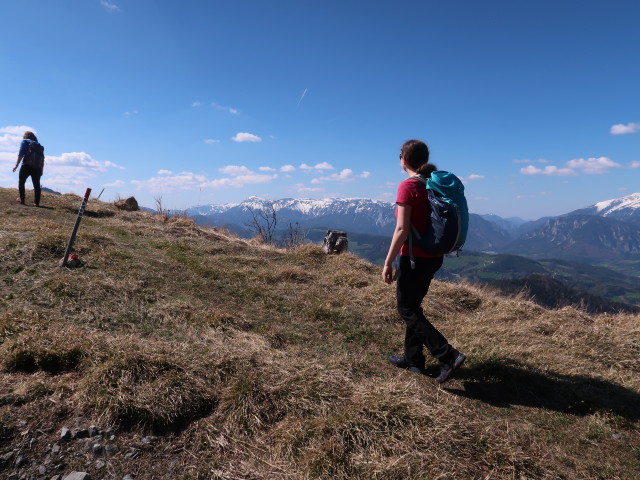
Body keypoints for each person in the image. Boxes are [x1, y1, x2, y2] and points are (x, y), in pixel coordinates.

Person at [382, 139, 466, 384]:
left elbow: (401, 229)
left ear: (404, 160)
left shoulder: (408, 186)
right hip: (434, 257)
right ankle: (413, 359)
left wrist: (388, 262)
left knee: (406, 309)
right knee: (413, 307)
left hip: (414, 258)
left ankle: (447, 355)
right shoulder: (432, 185)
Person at [12, 131, 43, 207]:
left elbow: (21, 153)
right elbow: (42, 159)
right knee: (36, 185)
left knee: (21, 182)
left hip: (26, 165)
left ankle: (22, 199)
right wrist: (41, 170)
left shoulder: (25, 142)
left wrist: (16, 165)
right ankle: (36, 203)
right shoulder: (39, 145)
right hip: (37, 167)